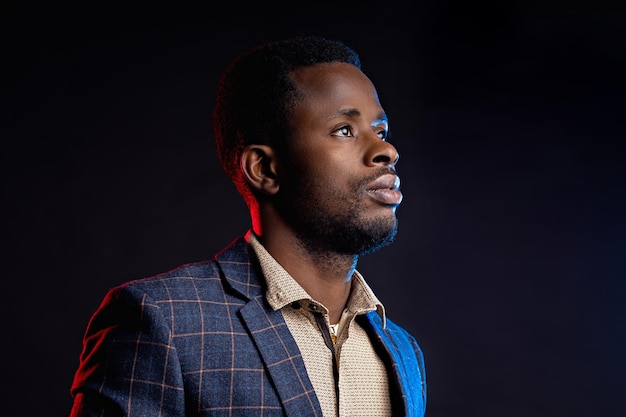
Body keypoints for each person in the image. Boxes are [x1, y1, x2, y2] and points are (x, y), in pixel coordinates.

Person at [69, 35, 427, 417]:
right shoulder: (163, 322)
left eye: (382, 131)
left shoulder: (402, 351)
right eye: (344, 130)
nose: (386, 150)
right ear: (264, 169)